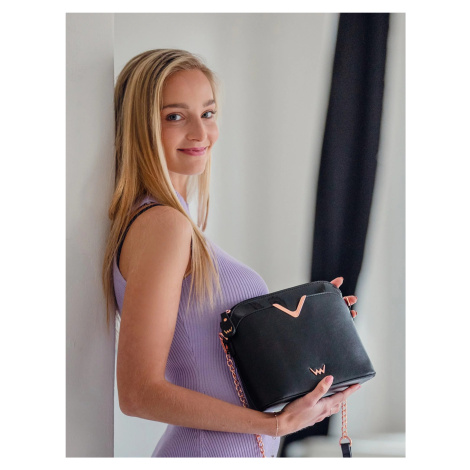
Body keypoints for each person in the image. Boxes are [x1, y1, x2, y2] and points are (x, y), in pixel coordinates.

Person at [102, 49, 360, 458]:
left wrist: (306, 328)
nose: (200, 133)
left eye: (207, 113)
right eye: (175, 116)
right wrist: (275, 425)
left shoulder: (173, 221)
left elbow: (215, 359)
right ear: (140, 125)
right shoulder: (164, 225)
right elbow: (138, 393)